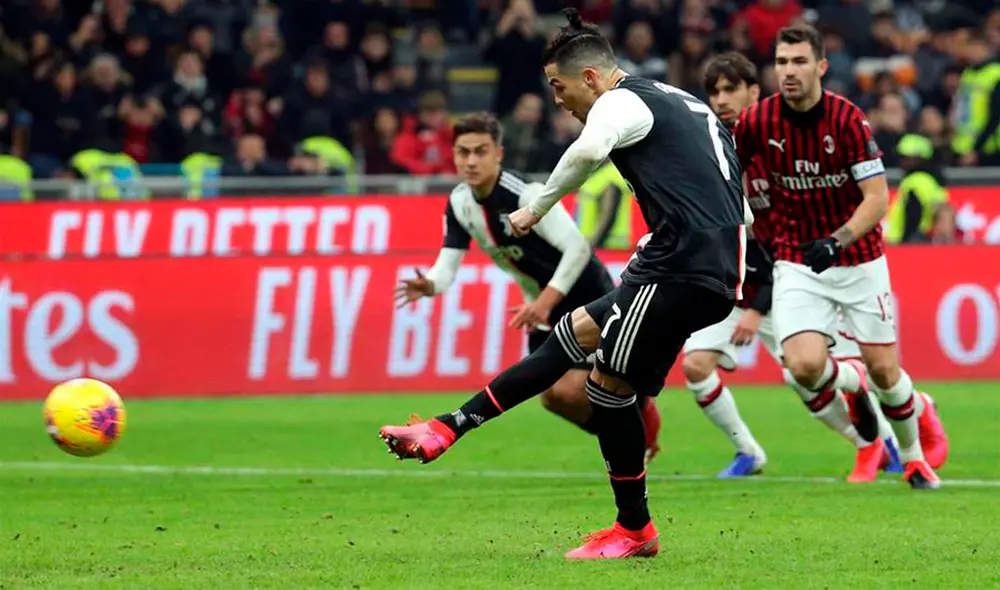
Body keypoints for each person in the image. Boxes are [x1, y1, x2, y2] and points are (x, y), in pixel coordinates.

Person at [384, 8, 752, 559]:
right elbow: (734, 197)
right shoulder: (680, 99)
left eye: (558, 87)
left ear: (589, 78)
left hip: (683, 263)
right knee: (583, 344)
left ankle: (633, 530)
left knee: (599, 378)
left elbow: (587, 150)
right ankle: (449, 427)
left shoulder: (620, 102)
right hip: (705, 259)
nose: (558, 100)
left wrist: (536, 208)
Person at [733, 24, 949, 490]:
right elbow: (727, 172)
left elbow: (876, 197)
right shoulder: (756, 123)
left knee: (887, 373)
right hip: (797, 259)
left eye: (799, 62)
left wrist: (838, 238)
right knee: (805, 368)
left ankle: (913, 455)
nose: (789, 71)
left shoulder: (848, 120)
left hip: (859, 259)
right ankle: (852, 387)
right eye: (782, 62)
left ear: (821, 67)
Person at [684, 52, 907, 481]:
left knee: (807, 379)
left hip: (786, 280)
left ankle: (885, 442)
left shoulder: (778, 145)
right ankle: (750, 451)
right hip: (735, 286)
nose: (721, 100)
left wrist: (758, 305)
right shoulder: (713, 151)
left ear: (755, 92)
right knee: (696, 365)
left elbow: (787, 239)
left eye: (731, 89)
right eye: (714, 92)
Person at [393, 111, 662, 458]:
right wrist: (429, 284)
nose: (471, 161)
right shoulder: (460, 202)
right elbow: (447, 264)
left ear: (498, 154)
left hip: (585, 294)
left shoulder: (525, 193)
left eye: (480, 151)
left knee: (580, 388)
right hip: (540, 306)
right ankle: (630, 433)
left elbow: (578, 248)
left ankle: (637, 419)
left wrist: (546, 303)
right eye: (463, 152)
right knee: (554, 399)